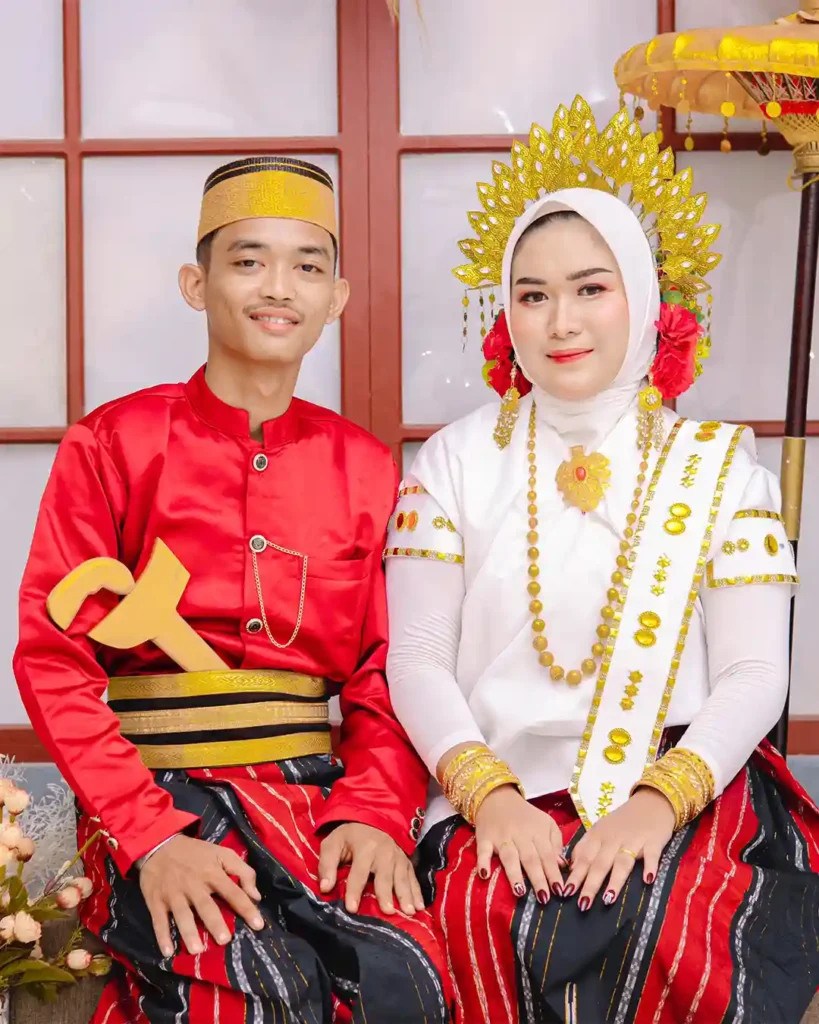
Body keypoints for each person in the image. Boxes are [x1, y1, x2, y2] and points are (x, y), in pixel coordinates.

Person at [385, 99, 819, 1022]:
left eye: (590, 288)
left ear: (646, 298)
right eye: (532, 295)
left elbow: (753, 673)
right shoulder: (452, 461)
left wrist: (655, 806)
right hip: (495, 787)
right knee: (480, 918)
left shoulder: (717, 465)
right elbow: (416, 657)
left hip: (679, 783)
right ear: (505, 311)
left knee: (676, 930)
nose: (560, 321)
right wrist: (488, 799)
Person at [14, 156, 451, 1023]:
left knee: (406, 973)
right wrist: (149, 836)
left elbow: (385, 672)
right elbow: (53, 661)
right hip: (157, 790)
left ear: (336, 298)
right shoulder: (113, 444)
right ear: (196, 283)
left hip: (312, 796)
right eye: (248, 261)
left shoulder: (367, 471)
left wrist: (372, 811)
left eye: (307, 266)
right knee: (256, 988)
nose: (278, 286)